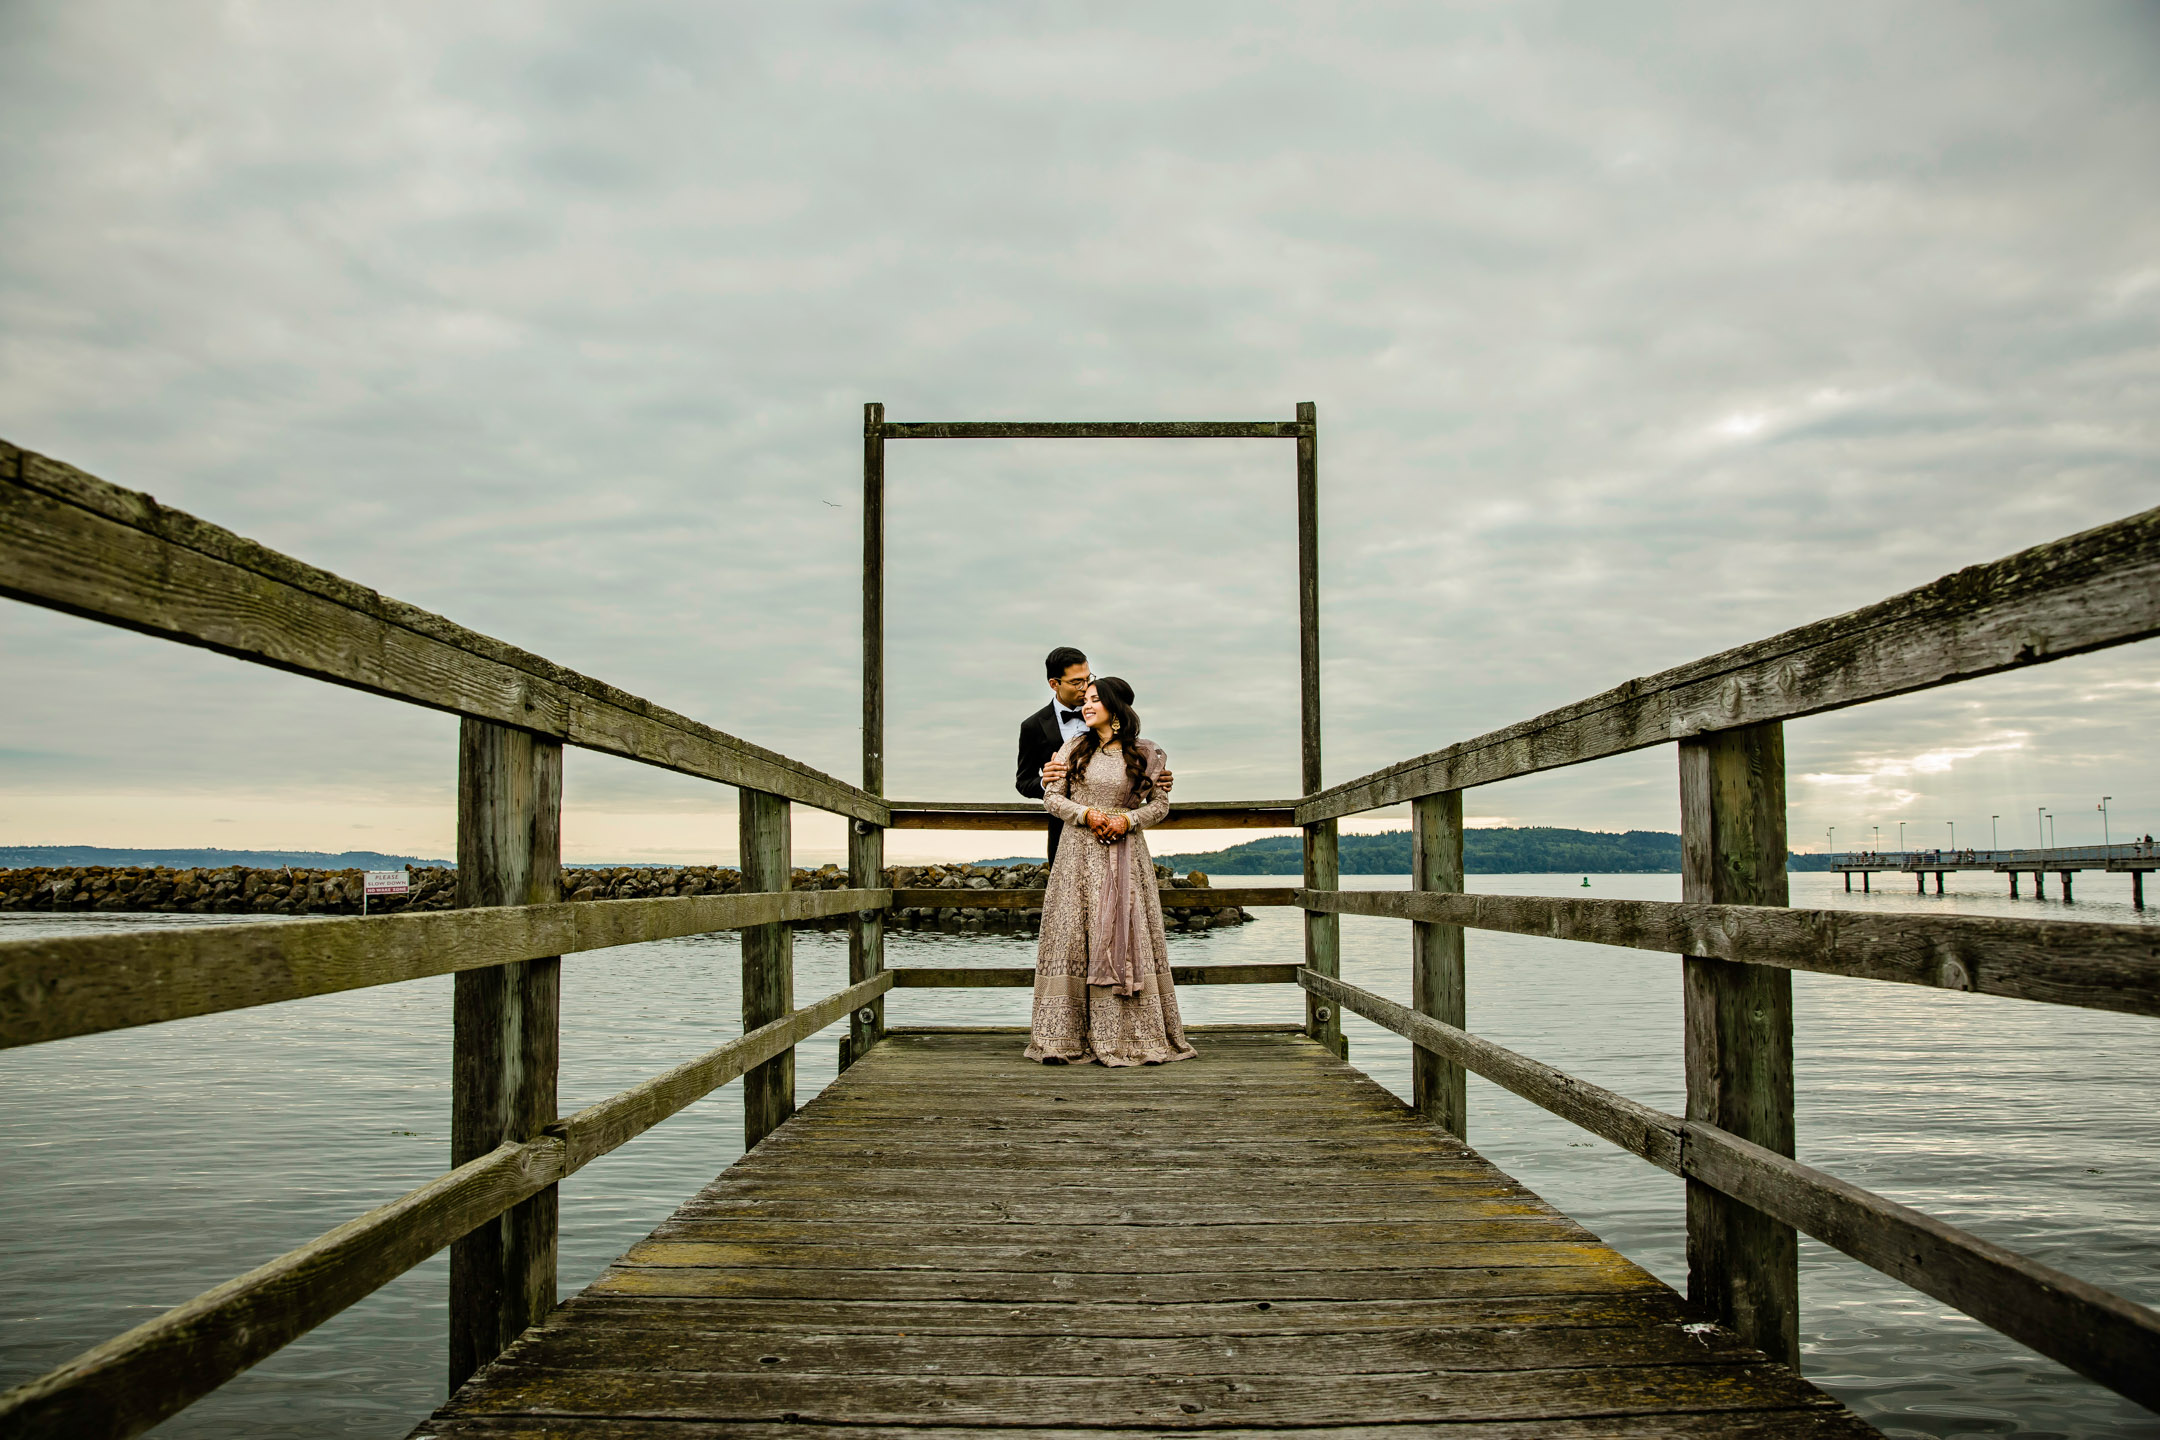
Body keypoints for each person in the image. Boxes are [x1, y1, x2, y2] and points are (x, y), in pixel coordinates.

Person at [1025, 676, 1197, 1067]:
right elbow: (1052, 798)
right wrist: (1087, 814)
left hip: (1125, 855)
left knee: (1128, 931)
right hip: (1076, 856)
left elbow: (1160, 805)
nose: (1086, 706)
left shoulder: (1147, 754)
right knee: (1072, 933)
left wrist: (1127, 821)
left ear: (1116, 709)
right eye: (1084, 700)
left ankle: (1127, 1033)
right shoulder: (1071, 748)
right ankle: (1063, 1035)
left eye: (1094, 700)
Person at [1015, 647, 1092, 867]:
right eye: (1076, 682)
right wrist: (1044, 782)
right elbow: (1023, 782)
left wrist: (1153, 777)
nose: (1084, 688)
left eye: (1088, 679)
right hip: (1063, 829)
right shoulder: (1032, 726)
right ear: (1054, 684)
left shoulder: (1105, 713)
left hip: (1109, 824)